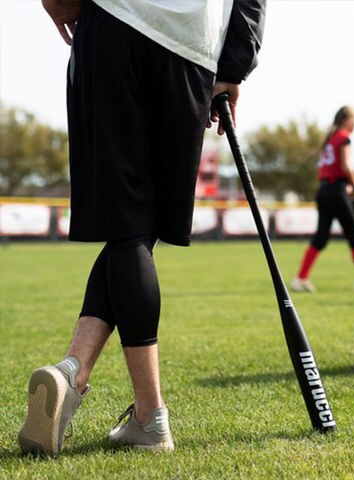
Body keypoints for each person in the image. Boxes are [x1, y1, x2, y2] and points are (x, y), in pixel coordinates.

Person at [18, 0, 265, 455]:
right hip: (192, 47)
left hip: (115, 22)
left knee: (129, 228)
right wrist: (235, 64)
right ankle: (136, 410)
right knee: (136, 231)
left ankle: (84, 376)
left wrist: (56, 4)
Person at [291, 106, 354, 292]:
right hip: (336, 191)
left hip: (324, 190)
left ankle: (300, 278)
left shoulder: (330, 138)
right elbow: (346, 166)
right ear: (347, 119)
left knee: (321, 237)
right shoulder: (343, 137)